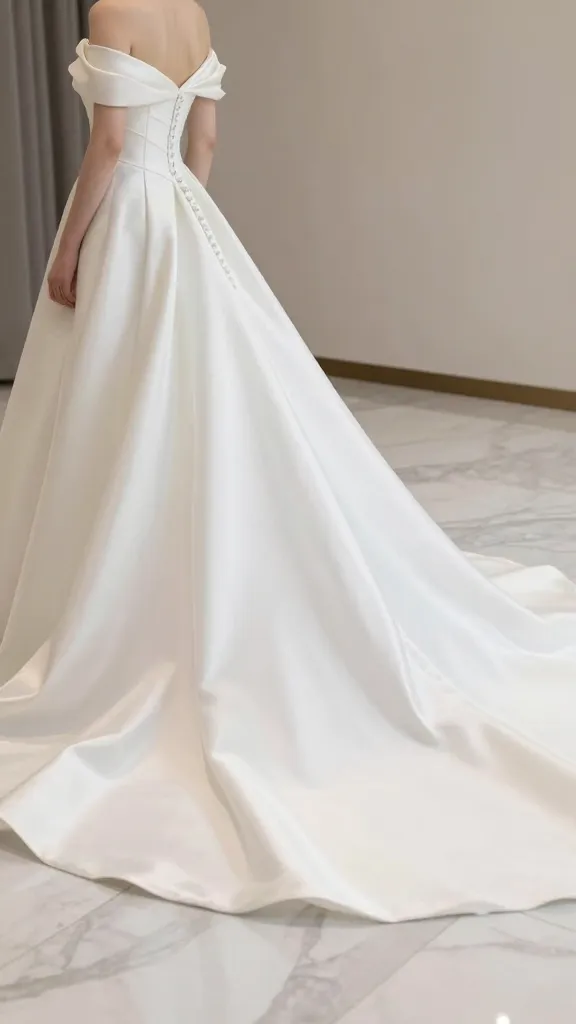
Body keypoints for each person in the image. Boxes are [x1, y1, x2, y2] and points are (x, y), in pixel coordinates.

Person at [1, 0, 576, 923]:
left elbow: (109, 148)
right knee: (204, 397)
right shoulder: (189, 11)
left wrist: (68, 249)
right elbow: (209, 141)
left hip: (130, 216)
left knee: (122, 399)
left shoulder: (113, 10)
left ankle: (103, 586)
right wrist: (186, 219)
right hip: (183, 214)